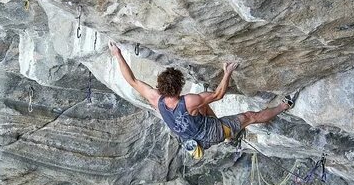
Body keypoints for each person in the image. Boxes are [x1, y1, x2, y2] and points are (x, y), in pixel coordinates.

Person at [108, 42, 295, 159]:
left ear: (160, 86)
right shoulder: (189, 101)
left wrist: (117, 54)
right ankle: (284, 105)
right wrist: (227, 72)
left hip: (192, 140)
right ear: (180, 87)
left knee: (201, 108)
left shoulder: (155, 98)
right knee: (250, 117)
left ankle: (229, 135)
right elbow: (218, 95)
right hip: (212, 133)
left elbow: (131, 80)